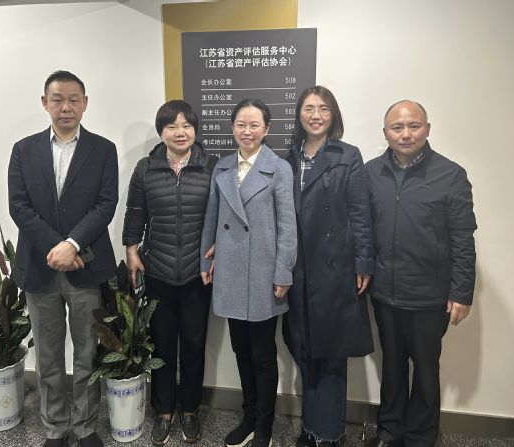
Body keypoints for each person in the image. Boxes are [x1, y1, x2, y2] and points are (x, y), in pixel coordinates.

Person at [8, 70, 118, 447]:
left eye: (73, 99)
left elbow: (105, 205)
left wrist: (72, 244)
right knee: (49, 356)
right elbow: (19, 207)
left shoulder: (103, 149)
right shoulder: (23, 150)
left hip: (86, 266)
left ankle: (85, 427)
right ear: (45, 103)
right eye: (57, 99)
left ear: (85, 104)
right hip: (40, 268)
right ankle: (55, 428)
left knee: (87, 352)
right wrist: (57, 247)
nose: (65, 106)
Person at [364, 100, 477, 447]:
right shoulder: (370, 173)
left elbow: (463, 239)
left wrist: (462, 292)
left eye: (413, 126)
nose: (405, 134)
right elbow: (363, 230)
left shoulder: (450, 175)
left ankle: (420, 438)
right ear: (385, 133)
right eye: (397, 127)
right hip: (384, 292)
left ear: (427, 129)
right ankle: (390, 432)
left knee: (426, 371)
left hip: (429, 297)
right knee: (392, 366)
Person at [200, 99, 297, 447]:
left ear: (266, 129)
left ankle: (264, 425)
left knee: (263, 355)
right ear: (232, 128)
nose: (247, 131)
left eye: (255, 125)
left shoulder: (279, 169)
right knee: (240, 350)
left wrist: (283, 271)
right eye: (241, 124)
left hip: (262, 274)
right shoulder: (222, 166)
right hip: (229, 271)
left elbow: (288, 227)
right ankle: (249, 416)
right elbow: (212, 218)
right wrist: (204, 261)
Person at [282, 86, 374, 446]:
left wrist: (364, 261)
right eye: (309, 108)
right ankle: (310, 427)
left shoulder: (348, 155)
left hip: (335, 269)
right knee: (304, 348)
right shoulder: (288, 157)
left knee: (332, 353)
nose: (316, 115)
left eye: (323, 108)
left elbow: (360, 214)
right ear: (299, 115)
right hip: (297, 268)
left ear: (332, 114)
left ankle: (330, 432)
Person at [122, 100, 217, 445]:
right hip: (158, 270)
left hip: (197, 274)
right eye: (172, 126)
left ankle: (189, 409)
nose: (180, 132)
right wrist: (131, 249)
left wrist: (218, 248)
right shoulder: (146, 168)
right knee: (161, 345)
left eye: (186, 125)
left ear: (195, 130)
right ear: (161, 131)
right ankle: (163, 411)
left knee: (194, 343)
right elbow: (135, 212)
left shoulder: (211, 166)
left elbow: (223, 214)